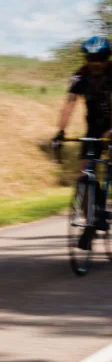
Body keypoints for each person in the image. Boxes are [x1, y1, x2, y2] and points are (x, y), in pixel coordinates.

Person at [53, 34, 112, 236]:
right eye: (91, 58)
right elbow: (69, 103)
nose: (96, 63)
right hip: (94, 128)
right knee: (85, 171)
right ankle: (90, 218)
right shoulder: (80, 75)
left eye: (101, 58)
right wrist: (60, 132)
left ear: (108, 57)